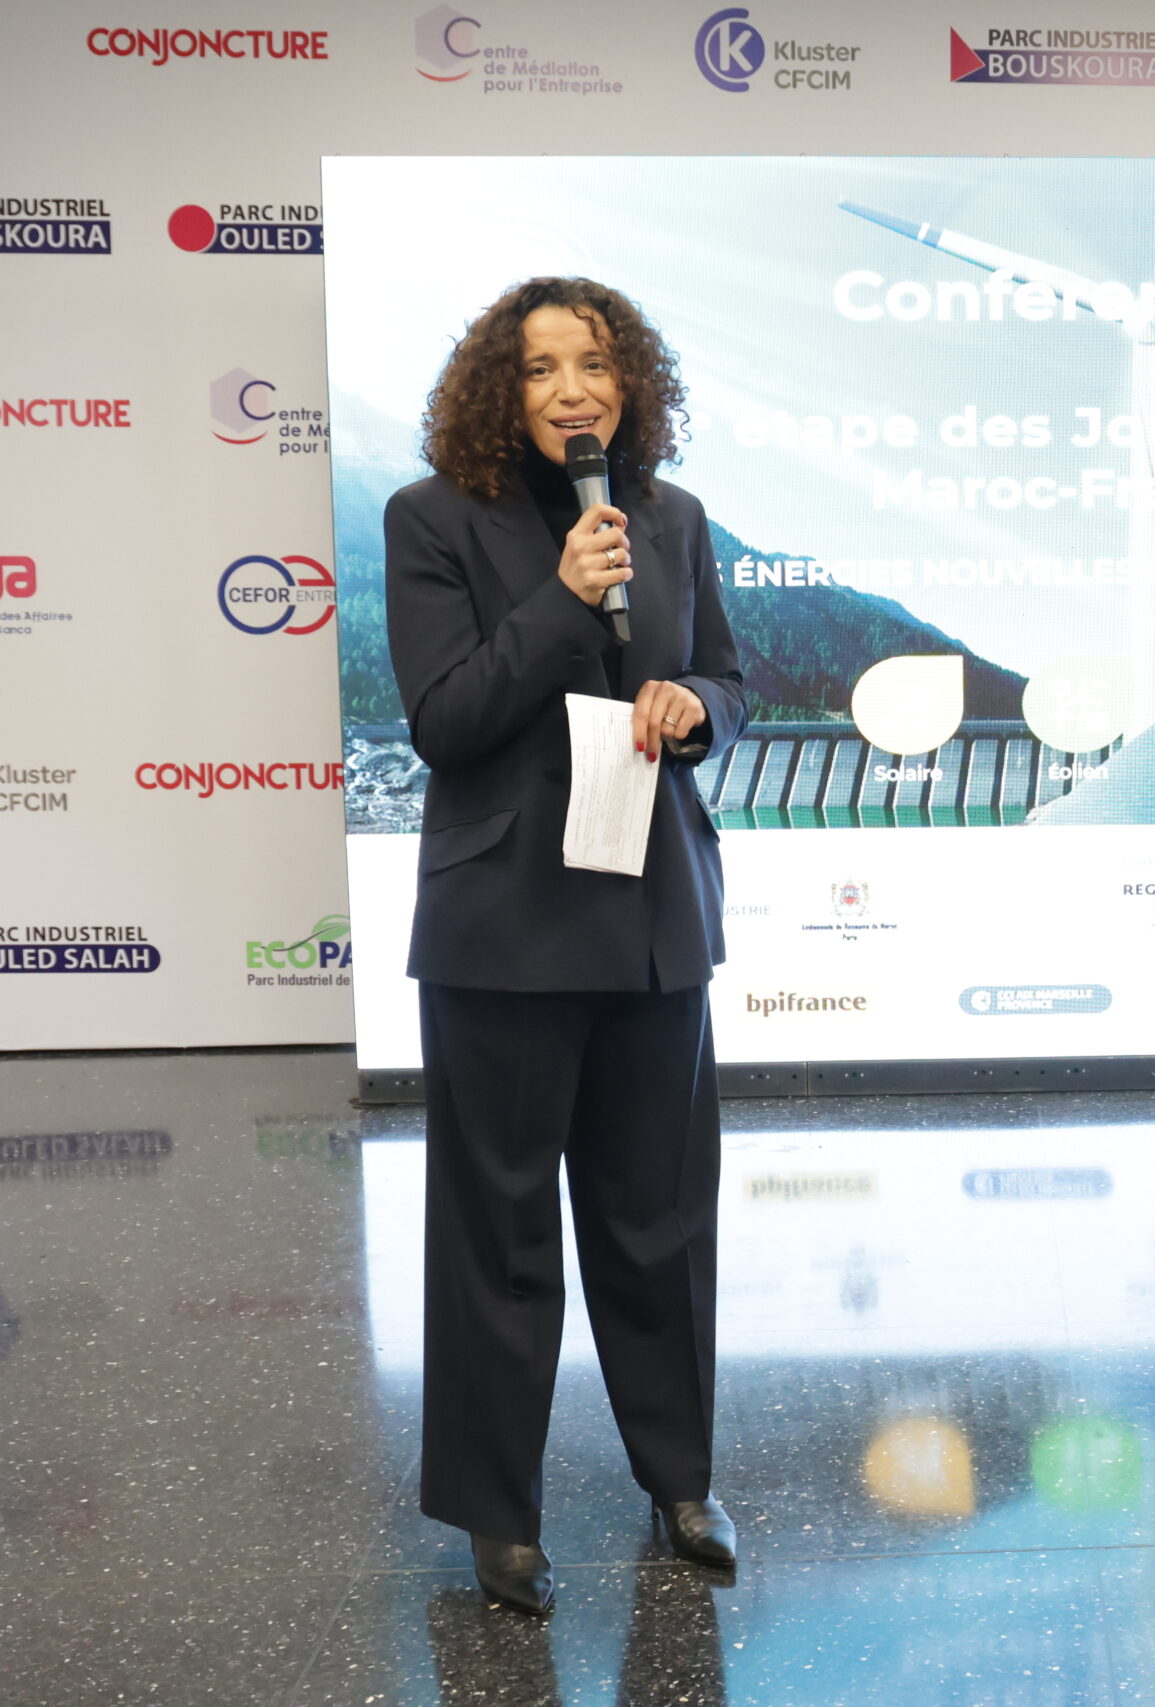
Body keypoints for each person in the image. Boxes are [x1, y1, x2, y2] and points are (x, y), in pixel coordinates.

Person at [385, 276, 749, 1611]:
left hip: (652, 915)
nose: (572, 389)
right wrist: (559, 597)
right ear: (503, 389)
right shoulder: (432, 518)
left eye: (592, 362)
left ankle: (679, 1481)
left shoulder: (673, 515)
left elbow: (731, 679)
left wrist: (692, 703)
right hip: (504, 928)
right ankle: (499, 1511)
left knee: (661, 1222)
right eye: (540, 368)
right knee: (501, 1231)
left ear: (628, 381)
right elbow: (445, 719)